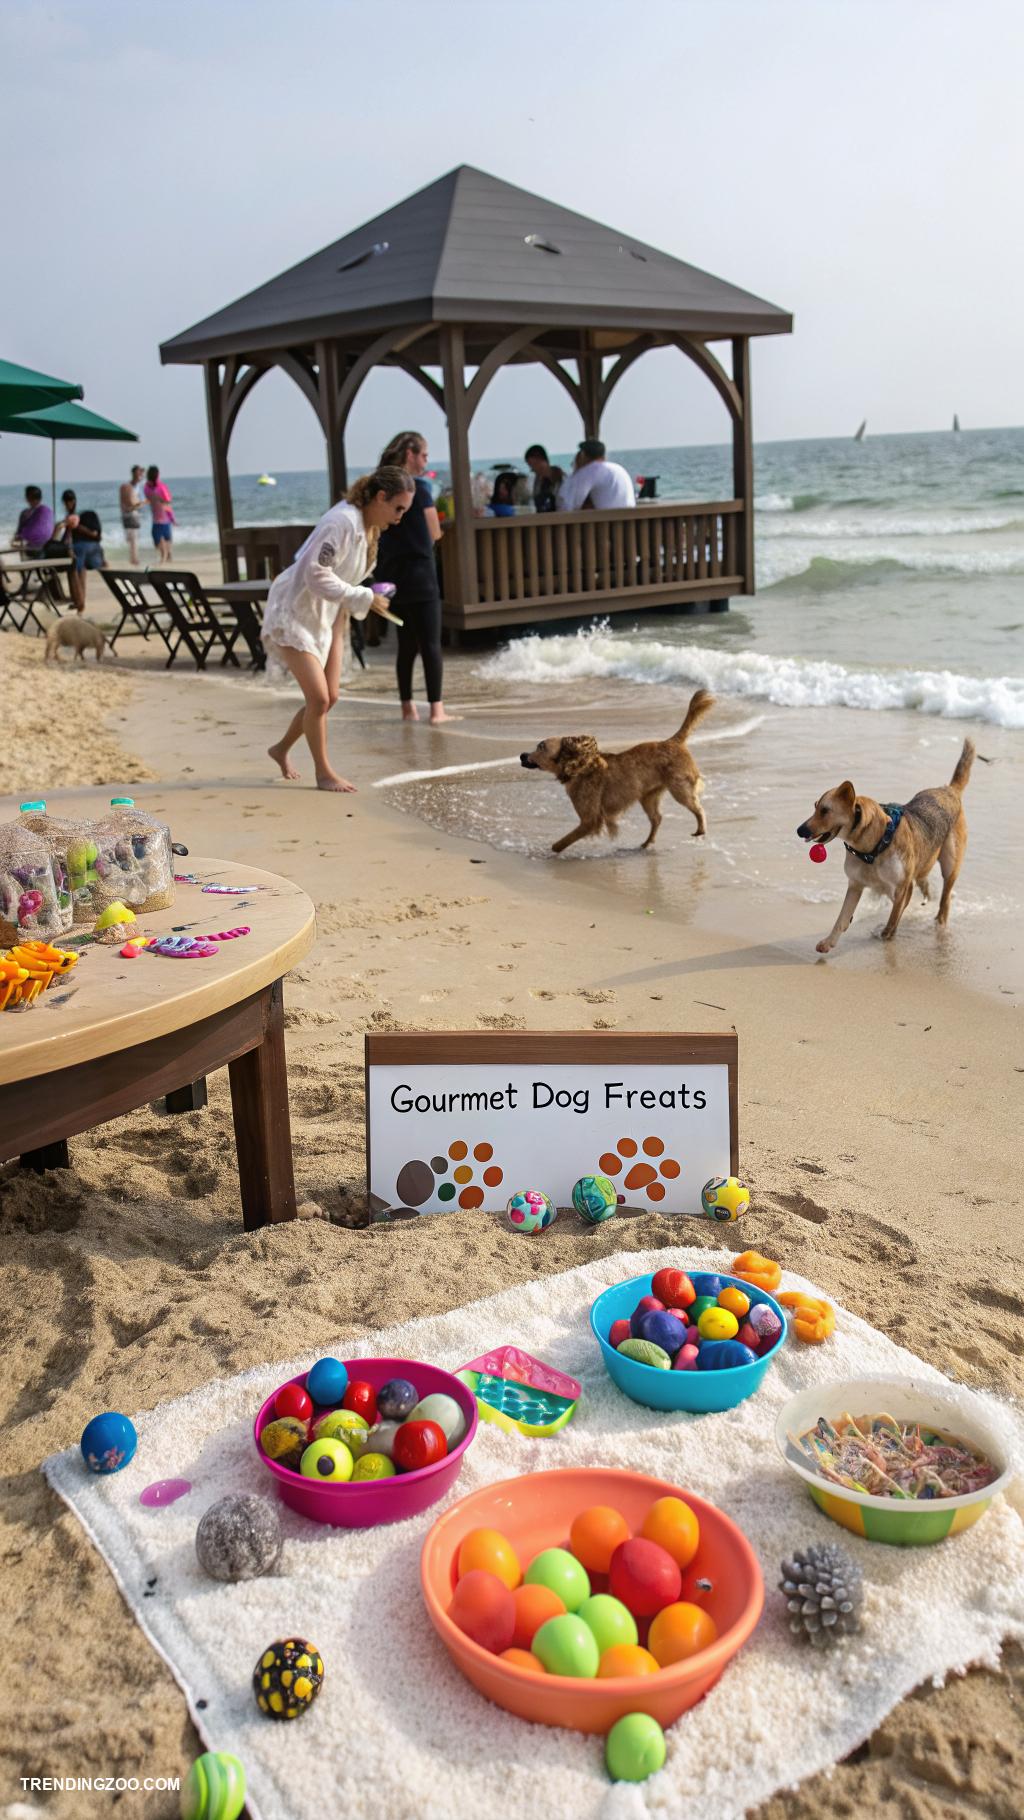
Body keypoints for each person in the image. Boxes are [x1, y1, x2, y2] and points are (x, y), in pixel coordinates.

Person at [264, 465, 414, 792]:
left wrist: (365, 602)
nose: (400, 517)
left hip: (330, 614)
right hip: (292, 610)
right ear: (380, 497)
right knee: (318, 699)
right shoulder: (341, 521)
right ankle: (324, 773)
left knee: (329, 698)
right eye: (398, 508)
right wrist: (364, 596)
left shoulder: (370, 528)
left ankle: (280, 749)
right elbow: (314, 574)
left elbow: (346, 581)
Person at [374, 430, 450, 724]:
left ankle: (407, 708)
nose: (425, 461)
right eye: (424, 455)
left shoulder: (380, 487)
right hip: (421, 576)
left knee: (405, 644)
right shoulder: (419, 487)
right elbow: (434, 532)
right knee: (430, 644)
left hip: (391, 577)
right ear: (410, 454)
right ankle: (437, 711)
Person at [51, 489, 103, 611]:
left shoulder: (81, 516)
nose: (68, 504)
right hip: (87, 547)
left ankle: (79, 602)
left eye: (69, 501)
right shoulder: (71, 517)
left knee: (74, 568)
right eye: (67, 502)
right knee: (80, 569)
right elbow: (64, 537)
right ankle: (80, 600)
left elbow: (94, 534)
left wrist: (76, 526)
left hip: (83, 546)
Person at [557, 438, 636, 511]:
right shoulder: (618, 468)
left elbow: (567, 505)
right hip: (628, 522)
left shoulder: (588, 471)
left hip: (605, 523)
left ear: (582, 455)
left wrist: (576, 470)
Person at [144, 465, 175, 562]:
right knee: (162, 539)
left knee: (161, 539)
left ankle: (165, 556)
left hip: (163, 516)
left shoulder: (158, 487)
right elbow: (168, 500)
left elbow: (167, 501)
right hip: (160, 517)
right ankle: (167, 554)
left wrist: (158, 499)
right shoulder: (150, 487)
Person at [12, 485, 54, 555]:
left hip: (32, 551)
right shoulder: (48, 511)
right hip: (48, 548)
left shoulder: (25, 514)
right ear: (40, 497)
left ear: (27, 498)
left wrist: (15, 538)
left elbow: (18, 535)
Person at [524, 445, 565, 513]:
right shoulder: (536, 482)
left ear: (540, 460)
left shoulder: (561, 478)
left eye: (533, 465)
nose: (532, 469)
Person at [119, 464, 145, 565]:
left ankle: (133, 558)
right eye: (139, 473)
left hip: (130, 515)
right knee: (133, 538)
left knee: (132, 538)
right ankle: (134, 560)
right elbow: (129, 503)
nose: (141, 476)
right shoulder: (128, 487)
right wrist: (138, 504)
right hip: (130, 515)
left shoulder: (136, 486)